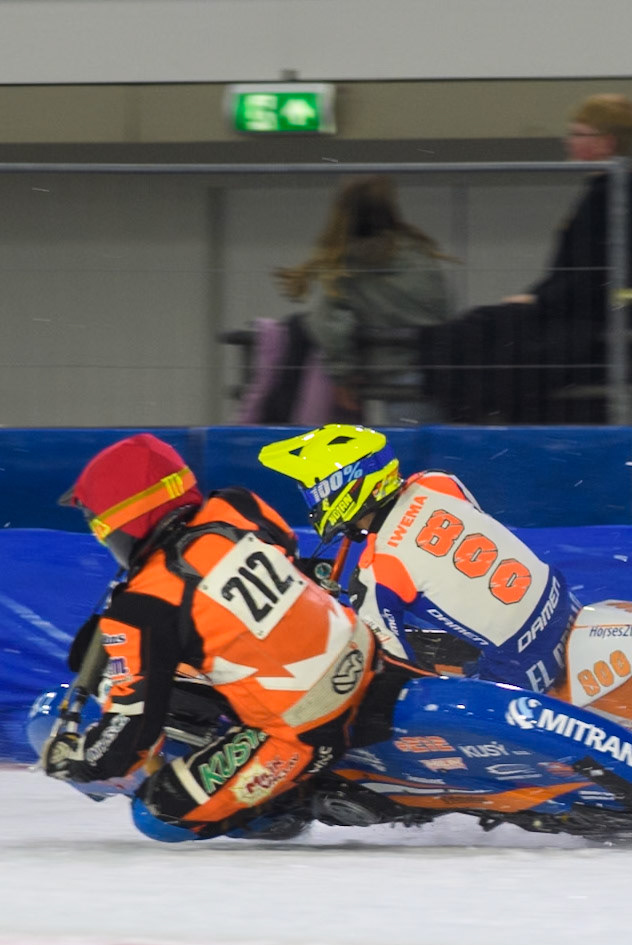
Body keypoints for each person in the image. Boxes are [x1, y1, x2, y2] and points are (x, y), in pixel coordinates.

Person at [42, 433, 408, 842]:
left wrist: (73, 760)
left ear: (124, 523)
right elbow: (287, 552)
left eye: (100, 525)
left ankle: (288, 800)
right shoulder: (237, 505)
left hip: (307, 730)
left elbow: (128, 741)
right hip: (364, 650)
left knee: (155, 812)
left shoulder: (143, 606)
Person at [258, 423, 577, 695]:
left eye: (310, 489)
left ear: (337, 490)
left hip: (521, 664)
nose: (310, 501)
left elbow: (395, 669)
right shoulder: (437, 481)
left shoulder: (375, 573)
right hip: (562, 603)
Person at [419, 94, 632, 425]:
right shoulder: (607, 193)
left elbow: (593, 274)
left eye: (579, 134)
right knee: (469, 333)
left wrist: (539, 299)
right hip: (572, 316)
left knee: (469, 336)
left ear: (606, 142)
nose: (570, 142)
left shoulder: (615, 196)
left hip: (582, 325)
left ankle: (463, 427)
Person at [268, 174, 453, 425]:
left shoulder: (346, 268)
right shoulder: (419, 254)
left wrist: (344, 376)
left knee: (405, 457)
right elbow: (444, 310)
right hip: (437, 371)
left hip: (393, 375)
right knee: (425, 456)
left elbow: (329, 324)